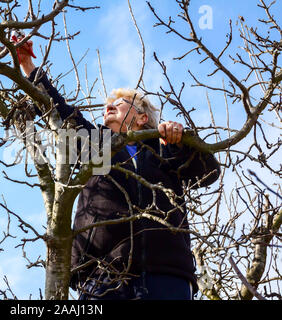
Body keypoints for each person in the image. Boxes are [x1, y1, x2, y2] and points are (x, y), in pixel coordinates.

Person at [14, 38, 220, 300]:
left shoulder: (165, 150)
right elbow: (57, 109)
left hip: (167, 275)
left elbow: (209, 173)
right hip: (102, 274)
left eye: (120, 103)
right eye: (107, 105)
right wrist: (28, 66)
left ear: (142, 117)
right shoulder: (96, 145)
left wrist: (181, 144)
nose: (108, 106)